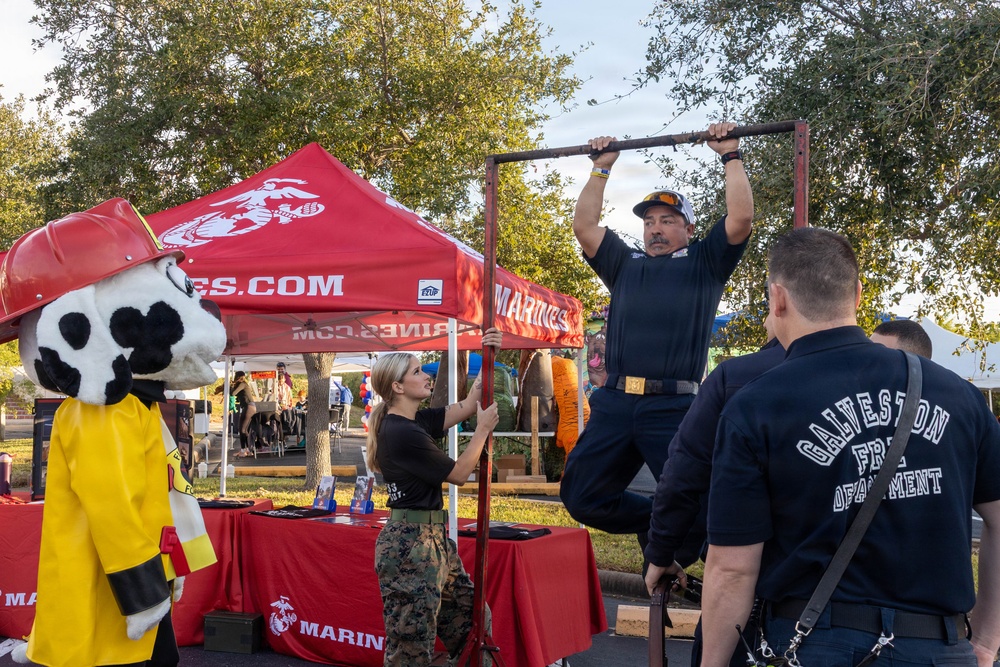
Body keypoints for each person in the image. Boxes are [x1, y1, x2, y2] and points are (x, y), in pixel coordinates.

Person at [701, 227, 1000, 666]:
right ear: (857, 294)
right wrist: (988, 640)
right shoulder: (959, 396)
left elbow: (732, 568)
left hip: (811, 646)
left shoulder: (756, 405)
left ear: (778, 298)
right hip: (937, 648)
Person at [560, 123, 754, 558]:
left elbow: (740, 219)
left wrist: (730, 155)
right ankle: (660, 518)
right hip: (614, 403)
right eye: (649, 222)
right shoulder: (625, 264)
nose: (656, 229)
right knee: (581, 497)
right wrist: (601, 169)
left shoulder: (705, 262)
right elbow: (584, 225)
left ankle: (684, 558)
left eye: (668, 220)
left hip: (673, 407)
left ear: (687, 227)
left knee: (702, 509)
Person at [644, 313, 785, 667]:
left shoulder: (736, 377)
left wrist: (661, 551)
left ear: (779, 300)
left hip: (750, 597)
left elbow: (684, 475)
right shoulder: (893, 382)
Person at [367, 328, 503, 666]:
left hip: (432, 541)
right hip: (409, 546)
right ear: (397, 387)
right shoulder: (402, 432)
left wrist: (489, 356)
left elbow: (469, 405)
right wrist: (482, 431)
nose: (426, 375)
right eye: (416, 371)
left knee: (472, 620)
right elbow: (458, 474)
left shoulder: (414, 420)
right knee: (411, 647)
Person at [230, 370, 258, 458]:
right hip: (251, 407)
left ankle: (243, 450)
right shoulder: (244, 385)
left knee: (241, 429)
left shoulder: (242, 384)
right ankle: (248, 450)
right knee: (245, 430)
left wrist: (231, 386)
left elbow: (232, 393)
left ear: (237, 377)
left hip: (248, 407)